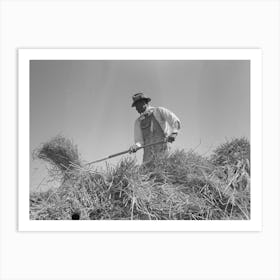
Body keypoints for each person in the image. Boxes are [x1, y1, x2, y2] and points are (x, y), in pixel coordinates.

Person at [129, 92, 181, 163]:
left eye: (137, 105)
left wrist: (174, 133)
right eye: (135, 106)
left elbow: (175, 120)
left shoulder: (159, 111)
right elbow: (140, 141)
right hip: (148, 156)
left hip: (163, 151)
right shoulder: (138, 122)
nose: (136, 108)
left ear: (144, 102)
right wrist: (136, 146)